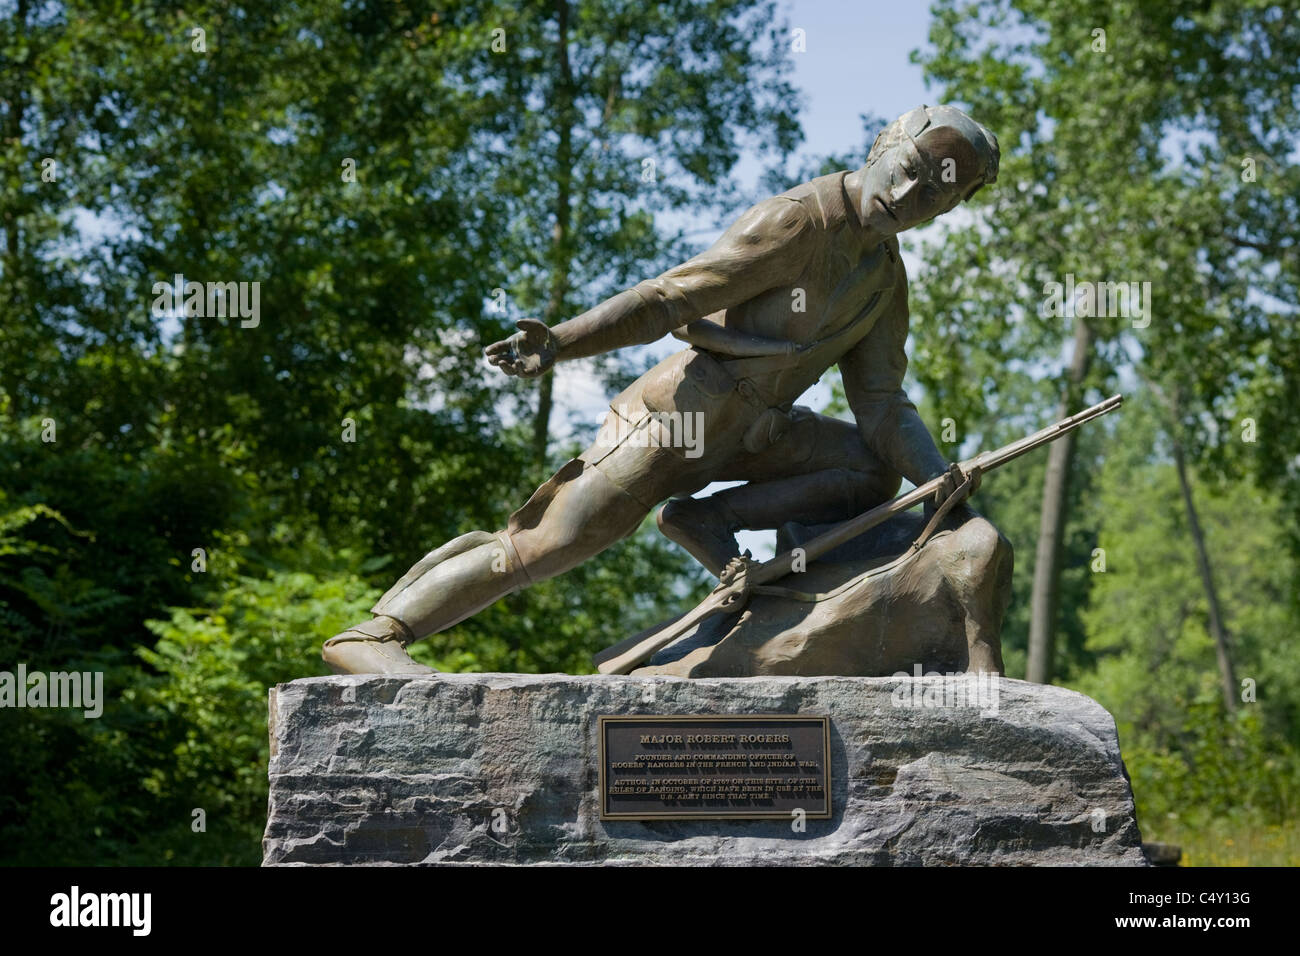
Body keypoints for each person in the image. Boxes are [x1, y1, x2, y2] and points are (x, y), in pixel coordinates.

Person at [322, 104, 1000, 675]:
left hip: (756, 433)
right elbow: (668, 298)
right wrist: (562, 340)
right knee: (547, 544)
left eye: (933, 195)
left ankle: (710, 522)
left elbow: (880, 404)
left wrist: (942, 483)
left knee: (869, 468)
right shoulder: (798, 220)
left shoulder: (884, 279)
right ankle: (376, 635)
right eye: (908, 172)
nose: (908, 197)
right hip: (677, 418)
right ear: (883, 146)